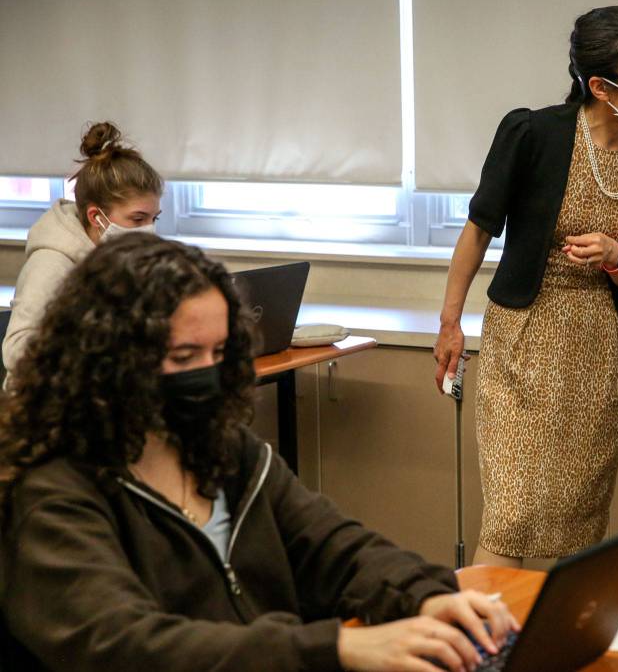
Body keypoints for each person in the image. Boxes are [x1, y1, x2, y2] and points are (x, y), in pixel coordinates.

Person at [0, 233, 517, 672]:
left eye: (220, 353)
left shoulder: (224, 451)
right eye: (184, 356)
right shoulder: (54, 490)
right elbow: (125, 644)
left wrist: (427, 596)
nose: (208, 373)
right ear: (107, 360)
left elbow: (334, 547)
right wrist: (335, 647)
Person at [433, 5, 618, 568]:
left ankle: (550, 644)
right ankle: (479, 653)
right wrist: (450, 323)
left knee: (577, 523)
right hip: (522, 341)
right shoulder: (533, 133)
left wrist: (617, 256)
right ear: (600, 85)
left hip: (597, 351)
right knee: (510, 517)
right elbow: (478, 231)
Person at [3, 121, 163, 376]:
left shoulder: (121, 259)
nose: (148, 229)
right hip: (46, 407)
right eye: (137, 218)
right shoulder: (51, 265)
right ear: (95, 217)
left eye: (154, 218)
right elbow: (17, 352)